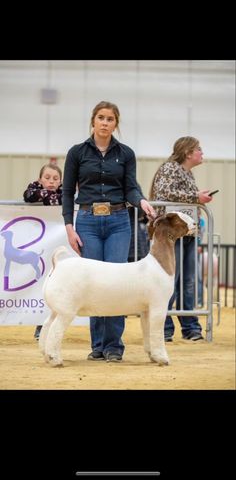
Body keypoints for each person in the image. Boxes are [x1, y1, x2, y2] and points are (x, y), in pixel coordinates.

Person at [62, 100, 156, 362]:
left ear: (116, 123)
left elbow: (131, 188)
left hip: (118, 221)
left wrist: (142, 201)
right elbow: (68, 192)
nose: (105, 123)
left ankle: (114, 346)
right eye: (101, 118)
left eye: (110, 119)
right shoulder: (77, 153)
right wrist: (69, 227)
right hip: (88, 222)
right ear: (93, 120)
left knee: (117, 284)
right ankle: (98, 344)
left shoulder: (125, 153)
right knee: (94, 283)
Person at [149, 136, 213, 341]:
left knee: (189, 282)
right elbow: (164, 192)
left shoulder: (188, 173)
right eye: (199, 149)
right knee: (169, 280)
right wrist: (196, 198)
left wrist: (197, 200)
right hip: (171, 234)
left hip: (187, 233)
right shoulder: (169, 168)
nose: (201, 152)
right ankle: (165, 328)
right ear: (188, 152)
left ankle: (190, 328)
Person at [23, 163, 63, 340]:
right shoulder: (33, 189)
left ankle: (55, 325)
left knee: (58, 285)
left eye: (55, 179)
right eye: (47, 178)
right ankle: (41, 325)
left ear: (61, 181)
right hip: (39, 244)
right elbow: (28, 196)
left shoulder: (65, 192)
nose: (51, 182)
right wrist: (48, 195)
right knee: (39, 284)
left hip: (60, 243)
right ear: (40, 179)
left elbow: (66, 199)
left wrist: (50, 196)